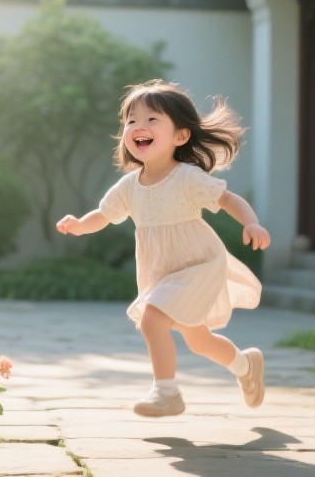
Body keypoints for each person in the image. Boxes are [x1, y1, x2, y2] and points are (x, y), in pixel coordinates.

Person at [56, 79, 271, 418]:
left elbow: (228, 199)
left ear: (180, 136)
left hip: (198, 264)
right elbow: (105, 214)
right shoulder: (130, 185)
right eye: (131, 121)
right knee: (199, 340)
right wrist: (80, 224)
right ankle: (246, 365)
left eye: (152, 119)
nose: (138, 126)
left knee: (152, 320)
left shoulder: (186, 177)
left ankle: (167, 393)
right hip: (163, 272)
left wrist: (251, 223)